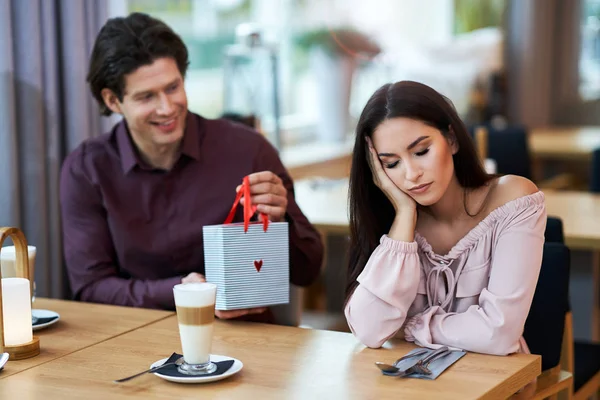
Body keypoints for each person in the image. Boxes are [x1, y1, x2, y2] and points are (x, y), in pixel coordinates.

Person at [60, 13, 323, 322]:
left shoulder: (249, 151)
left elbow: (309, 271)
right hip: (135, 341)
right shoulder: (88, 169)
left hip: (246, 340)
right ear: (113, 101)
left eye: (172, 88)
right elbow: (91, 288)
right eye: (147, 96)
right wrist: (182, 292)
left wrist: (281, 222)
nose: (166, 108)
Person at [344, 81, 546, 355]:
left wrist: (412, 327)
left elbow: (498, 334)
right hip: (413, 388)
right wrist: (404, 215)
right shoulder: (390, 223)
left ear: (451, 139)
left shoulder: (513, 200)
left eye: (421, 151)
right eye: (391, 163)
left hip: (496, 383)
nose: (411, 173)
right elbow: (369, 331)